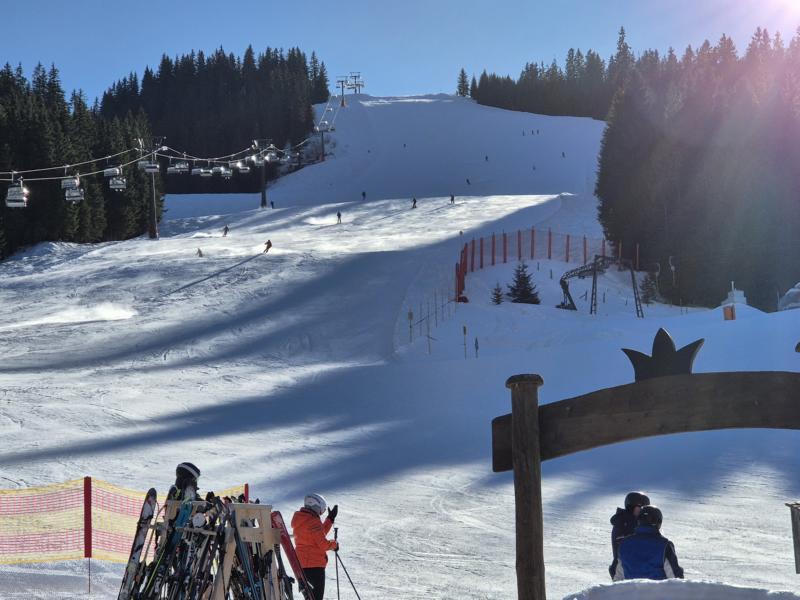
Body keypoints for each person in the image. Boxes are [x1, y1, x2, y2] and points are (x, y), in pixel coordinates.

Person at [613, 505, 684, 581]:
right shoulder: (664, 545)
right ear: (658, 523)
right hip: (657, 588)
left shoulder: (624, 544)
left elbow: (618, 578)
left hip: (630, 588)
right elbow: (675, 579)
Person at [292, 493, 339, 600]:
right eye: (321, 510)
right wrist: (334, 545)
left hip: (302, 566)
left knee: (310, 597)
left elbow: (317, 536)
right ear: (316, 507)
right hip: (314, 566)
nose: (321, 512)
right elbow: (323, 544)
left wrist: (330, 519)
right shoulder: (313, 521)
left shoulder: (301, 519)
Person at [609, 491, 650, 576]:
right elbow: (623, 545)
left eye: (644, 508)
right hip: (624, 570)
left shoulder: (637, 521)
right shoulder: (622, 521)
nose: (642, 511)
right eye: (640, 507)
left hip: (638, 568)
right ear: (631, 507)